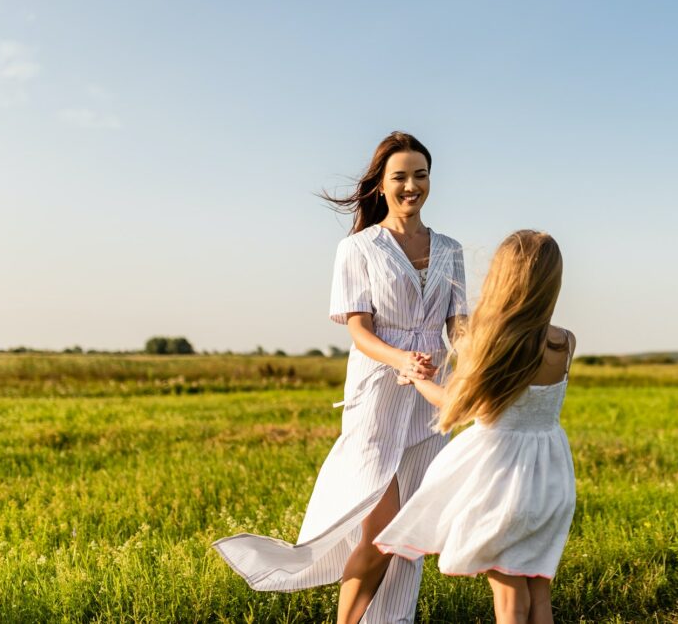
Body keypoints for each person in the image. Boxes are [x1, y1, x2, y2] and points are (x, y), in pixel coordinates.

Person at [213, 132, 467, 624]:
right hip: (379, 390)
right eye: (401, 177)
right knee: (382, 529)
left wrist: (475, 360)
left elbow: (458, 325)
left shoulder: (451, 249)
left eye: (421, 175)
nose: (412, 185)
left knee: (406, 536)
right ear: (381, 184)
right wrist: (400, 361)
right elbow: (359, 331)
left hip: (433, 397)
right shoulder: (358, 248)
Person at [374, 230, 577, 624]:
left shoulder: (488, 340)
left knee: (508, 598)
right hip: (550, 479)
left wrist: (417, 379)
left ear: (501, 277)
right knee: (536, 589)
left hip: (503, 482)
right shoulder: (565, 342)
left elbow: (457, 406)